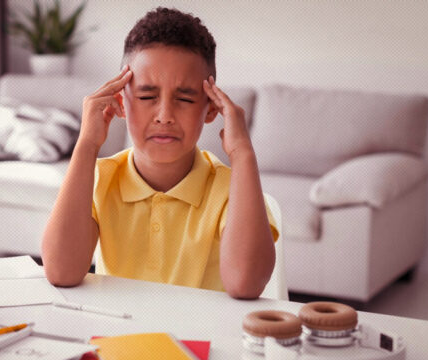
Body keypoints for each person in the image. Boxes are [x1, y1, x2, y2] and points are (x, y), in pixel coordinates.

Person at [41, 7, 278, 299]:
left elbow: (246, 284)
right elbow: (61, 273)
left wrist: (243, 153)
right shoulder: (98, 180)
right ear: (120, 102)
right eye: (146, 97)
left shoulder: (233, 190)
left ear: (211, 109)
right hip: (122, 337)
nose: (164, 115)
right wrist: (86, 145)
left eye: (184, 98)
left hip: (206, 339)